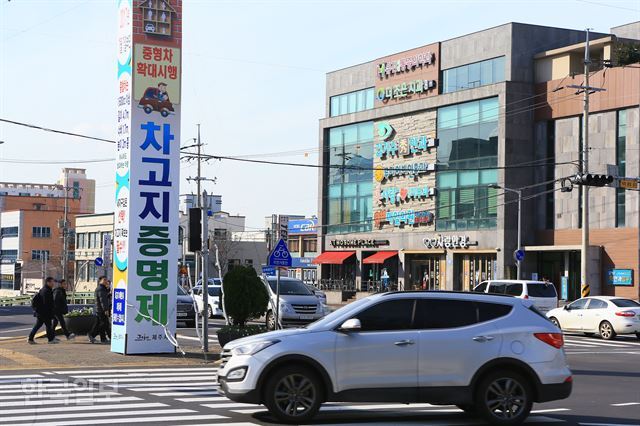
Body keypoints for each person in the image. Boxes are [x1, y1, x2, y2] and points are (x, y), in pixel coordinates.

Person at [28, 277, 59, 344]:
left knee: (38, 325)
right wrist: (51, 311)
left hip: (41, 312)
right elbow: (47, 303)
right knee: (48, 325)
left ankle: (30, 338)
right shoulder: (46, 291)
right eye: (52, 282)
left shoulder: (45, 289)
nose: (53, 283)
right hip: (44, 312)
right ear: (48, 282)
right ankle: (50, 340)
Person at [89, 276, 111, 344]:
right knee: (103, 324)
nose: (106, 281)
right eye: (104, 280)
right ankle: (92, 335)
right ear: (100, 281)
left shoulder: (102, 288)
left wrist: (108, 288)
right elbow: (103, 300)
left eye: (106, 280)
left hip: (99, 309)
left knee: (102, 324)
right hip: (101, 310)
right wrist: (106, 310)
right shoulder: (100, 289)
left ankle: (103, 338)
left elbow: (105, 295)